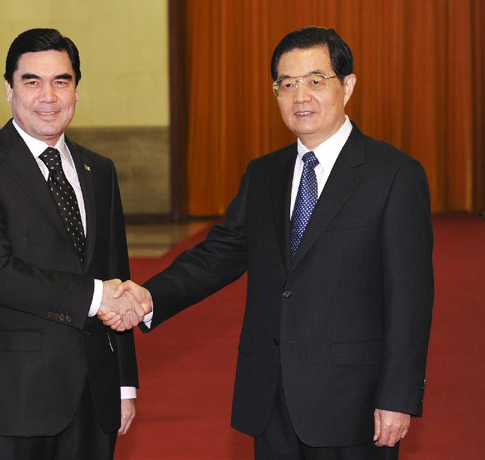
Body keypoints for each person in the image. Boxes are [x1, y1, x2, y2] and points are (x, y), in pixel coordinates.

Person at [103, 26, 434, 460]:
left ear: (348, 86)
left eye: (316, 81)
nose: (301, 96)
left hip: (353, 401)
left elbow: (410, 297)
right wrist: (147, 296)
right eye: (287, 84)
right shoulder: (264, 174)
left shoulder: (393, 174)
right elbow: (218, 254)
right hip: (271, 394)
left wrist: (397, 396)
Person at [0, 28, 149, 460]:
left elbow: (117, 272)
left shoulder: (100, 170)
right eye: (31, 81)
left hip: (95, 395)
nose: (48, 96)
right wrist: (95, 296)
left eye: (62, 80)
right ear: (9, 89)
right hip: (15, 397)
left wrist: (124, 383)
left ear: (76, 89)